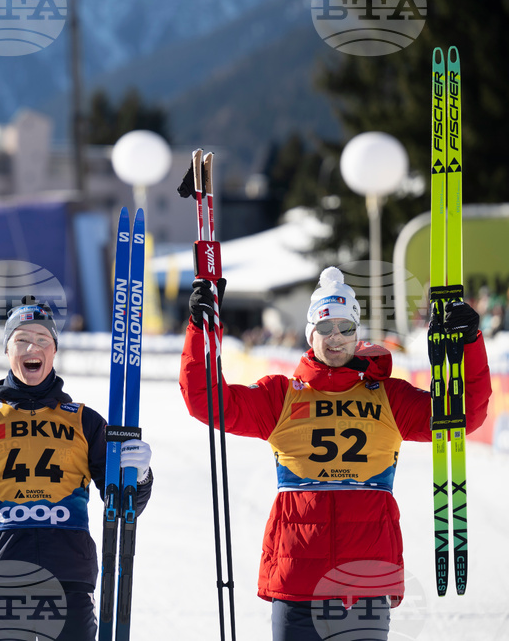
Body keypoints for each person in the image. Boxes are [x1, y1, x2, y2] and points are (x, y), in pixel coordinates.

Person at [179, 267, 492, 640]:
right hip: (297, 585)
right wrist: (202, 329)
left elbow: (465, 415)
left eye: (345, 328)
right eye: (325, 329)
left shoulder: (388, 396)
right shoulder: (281, 396)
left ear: (357, 333)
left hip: (366, 583)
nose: (336, 339)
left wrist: (470, 341)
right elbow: (206, 401)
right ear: (311, 334)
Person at [0, 300, 154, 641]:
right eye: (22, 340)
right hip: (4, 577)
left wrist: (140, 475)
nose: (33, 347)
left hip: (70, 580)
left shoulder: (85, 421)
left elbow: (122, 507)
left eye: (43, 339)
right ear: (7, 350)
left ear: (55, 350)